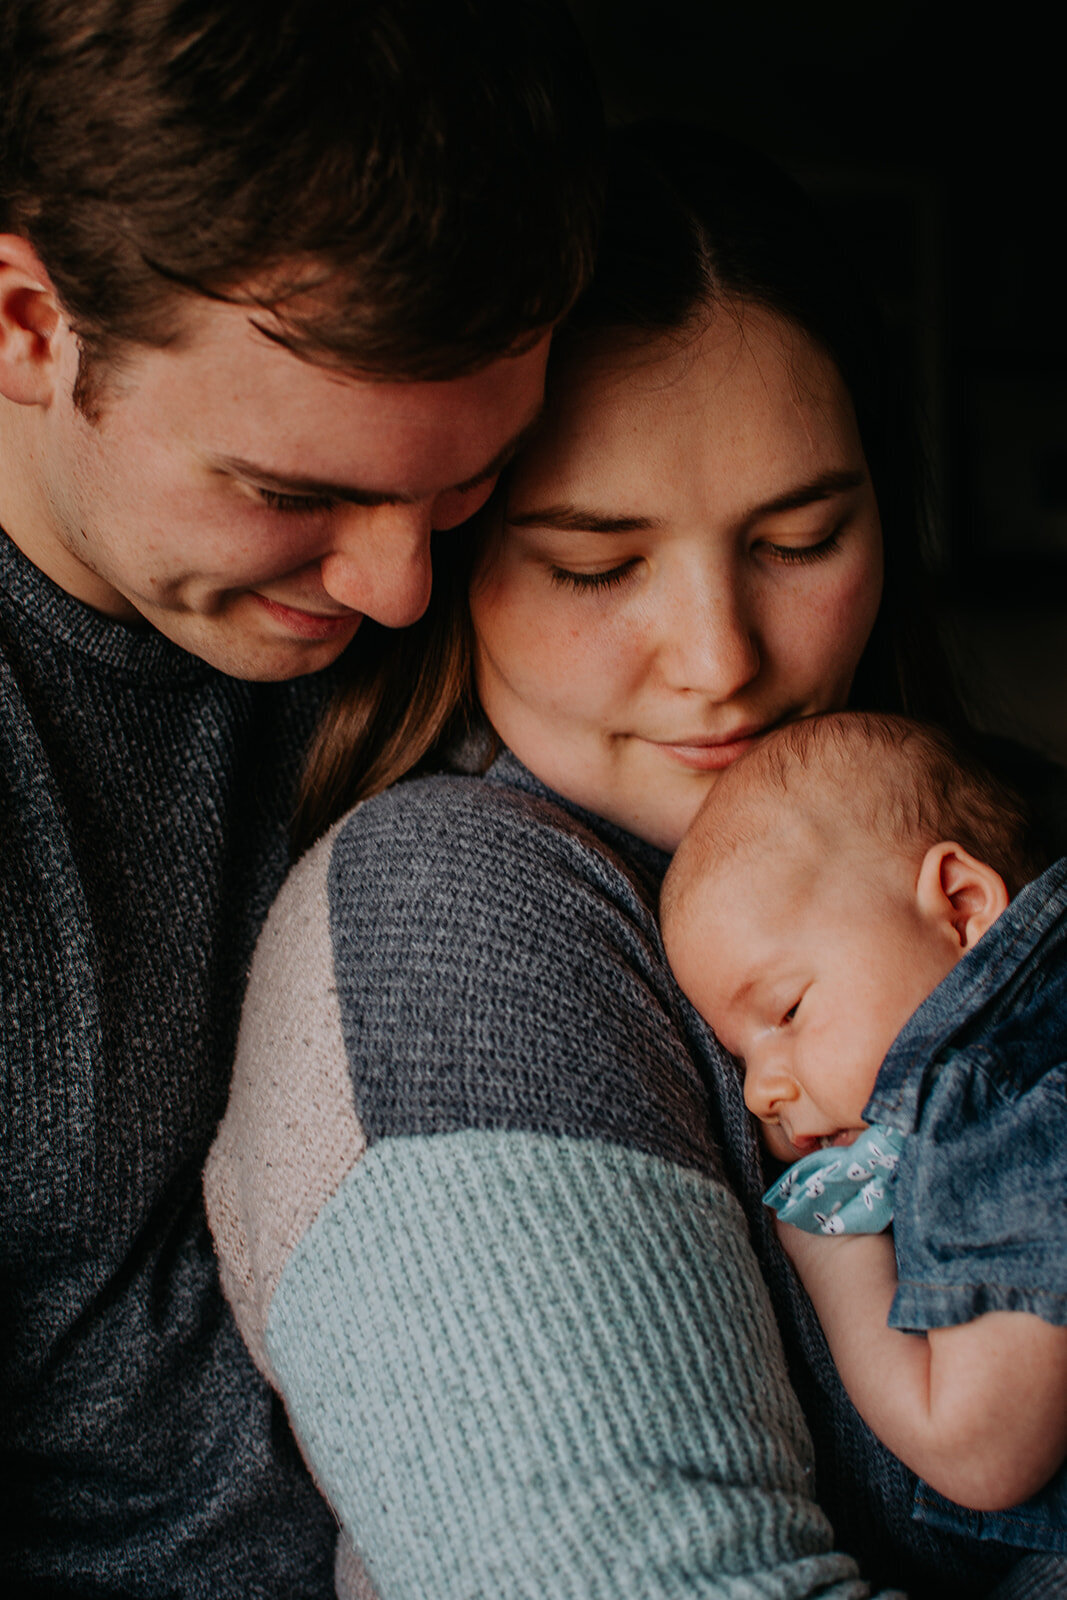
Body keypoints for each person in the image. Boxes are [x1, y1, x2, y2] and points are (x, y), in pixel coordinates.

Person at [205, 125, 1038, 1596]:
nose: (720, 663)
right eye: (594, 565)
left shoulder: (984, 864)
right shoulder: (451, 928)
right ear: (449, 558)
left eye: (799, 538)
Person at [0, 2, 602, 1592]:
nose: (401, 591)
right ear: (24, 324)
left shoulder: (503, 589)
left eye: (462, 486)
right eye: (295, 493)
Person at [660, 710, 1067, 1569]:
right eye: (740, 1054)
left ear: (961, 909)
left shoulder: (991, 1097)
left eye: (786, 1012)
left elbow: (981, 1448)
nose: (760, 1089)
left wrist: (836, 1264)